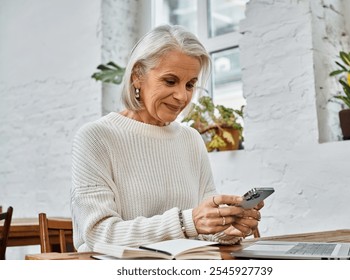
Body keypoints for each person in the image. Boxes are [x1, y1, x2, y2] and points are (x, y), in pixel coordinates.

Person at [71, 25, 263, 252]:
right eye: (170, 81)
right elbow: (97, 234)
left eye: (190, 84)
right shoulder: (96, 137)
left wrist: (225, 229)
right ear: (137, 77)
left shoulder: (191, 139)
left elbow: (197, 228)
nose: (182, 96)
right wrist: (187, 222)